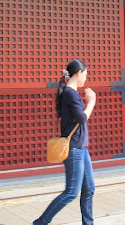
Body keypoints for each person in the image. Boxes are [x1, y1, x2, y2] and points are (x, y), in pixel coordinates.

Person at [33, 60, 97, 225]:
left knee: (89, 189)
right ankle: (40, 222)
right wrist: (91, 102)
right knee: (71, 192)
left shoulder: (71, 93)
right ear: (78, 73)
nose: (86, 78)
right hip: (74, 149)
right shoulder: (71, 93)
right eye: (85, 74)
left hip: (81, 147)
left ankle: (88, 223)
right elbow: (82, 119)